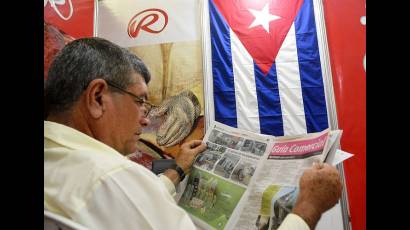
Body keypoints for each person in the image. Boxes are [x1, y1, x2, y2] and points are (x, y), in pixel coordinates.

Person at [44, 37, 342, 230]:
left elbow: (123, 208)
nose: (145, 118)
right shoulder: (112, 176)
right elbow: (120, 192)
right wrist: (307, 208)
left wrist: (177, 169)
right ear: (97, 97)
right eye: (140, 101)